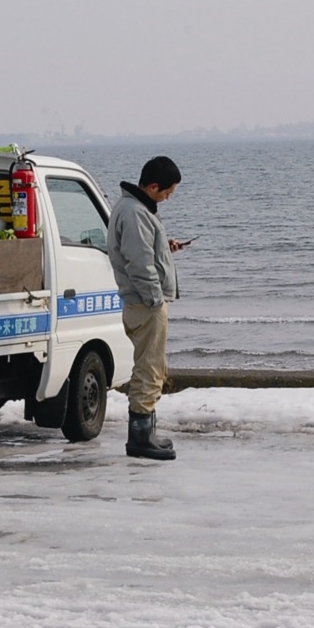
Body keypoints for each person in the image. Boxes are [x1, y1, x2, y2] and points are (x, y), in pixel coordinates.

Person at [107, 155, 187, 461]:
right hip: (145, 304)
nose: (167, 199)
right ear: (153, 186)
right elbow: (139, 265)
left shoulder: (132, 208)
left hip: (141, 302)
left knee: (151, 367)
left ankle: (148, 433)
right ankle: (140, 439)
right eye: (166, 193)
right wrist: (155, 301)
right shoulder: (135, 213)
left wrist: (165, 246)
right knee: (149, 370)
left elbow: (141, 251)